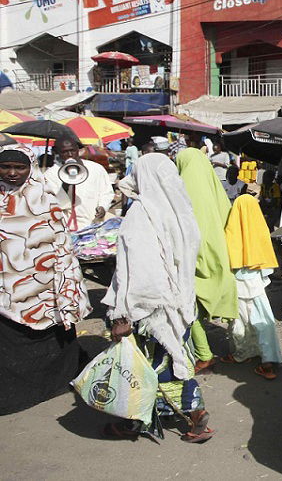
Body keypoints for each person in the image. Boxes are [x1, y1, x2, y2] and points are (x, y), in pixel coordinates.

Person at [101, 154, 213, 442]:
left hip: (150, 309)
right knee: (174, 357)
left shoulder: (141, 214)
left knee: (145, 366)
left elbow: (138, 271)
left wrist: (123, 314)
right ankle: (193, 411)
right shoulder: (180, 210)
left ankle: (137, 420)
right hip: (180, 304)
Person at [0, 144, 91, 415]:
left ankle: (55, 381)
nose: (12, 173)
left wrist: (66, 290)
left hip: (43, 289)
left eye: (19, 167)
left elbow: (62, 247)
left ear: (30, 168)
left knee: (50, 339)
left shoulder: (46, 200)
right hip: (5, 291)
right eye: (6, 167)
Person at [175, 148, 239, 373]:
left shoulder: (180, 189)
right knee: (205, 300)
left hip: (192, 255)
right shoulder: (215, 188)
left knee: (188, 308)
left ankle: (204, 354)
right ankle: (239, 348)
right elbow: (227, 215)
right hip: (218, 252)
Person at [222, 195, 282, 380]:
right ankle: (268, 361)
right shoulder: (259, 227)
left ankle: (242, 354)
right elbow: (266, 259)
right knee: (263, 321)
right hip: (256, 281)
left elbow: (228, 254)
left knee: (240, 320)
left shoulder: (232, 229)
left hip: (239, 280)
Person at [45, 137, 114, 230]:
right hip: (65, 227)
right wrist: (64, 187)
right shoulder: (51, 174)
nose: (70, 155)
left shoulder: (96, 169)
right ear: (57, 153)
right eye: (64, 152)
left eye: (72, 150)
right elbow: (52, 202)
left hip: (93, 223)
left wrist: (103, 207)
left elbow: (107, 192)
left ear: (78, 149)